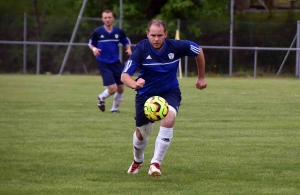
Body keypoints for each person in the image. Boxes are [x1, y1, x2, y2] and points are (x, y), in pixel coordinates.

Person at [121, 19, 207, 178]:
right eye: (152, 35)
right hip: (145, 95)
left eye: (159, 35)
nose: (156, 39)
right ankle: (137, 161)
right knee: (141, 134)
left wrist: (201, 77)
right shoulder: (141, 49)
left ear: (165, 34)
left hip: (169, 92)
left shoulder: (177, 46)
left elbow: (199, 50)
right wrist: (135, 84)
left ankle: (155, 163)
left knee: (169, 118)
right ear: (147, 34)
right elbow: (124, 75)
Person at [88, 10, 132, 113]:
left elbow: (126, 41)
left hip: (116, 62)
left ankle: (114, 109)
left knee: (121, 87)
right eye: (105, 17)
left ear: (113, 19)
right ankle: (101, 97)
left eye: (109, 17)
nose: (107, 19)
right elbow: (91, 44)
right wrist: (94, 49)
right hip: (103, 63)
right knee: (113, 88)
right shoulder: (97, 32)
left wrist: (129, 48)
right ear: (102, 19)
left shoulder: (118, 31)